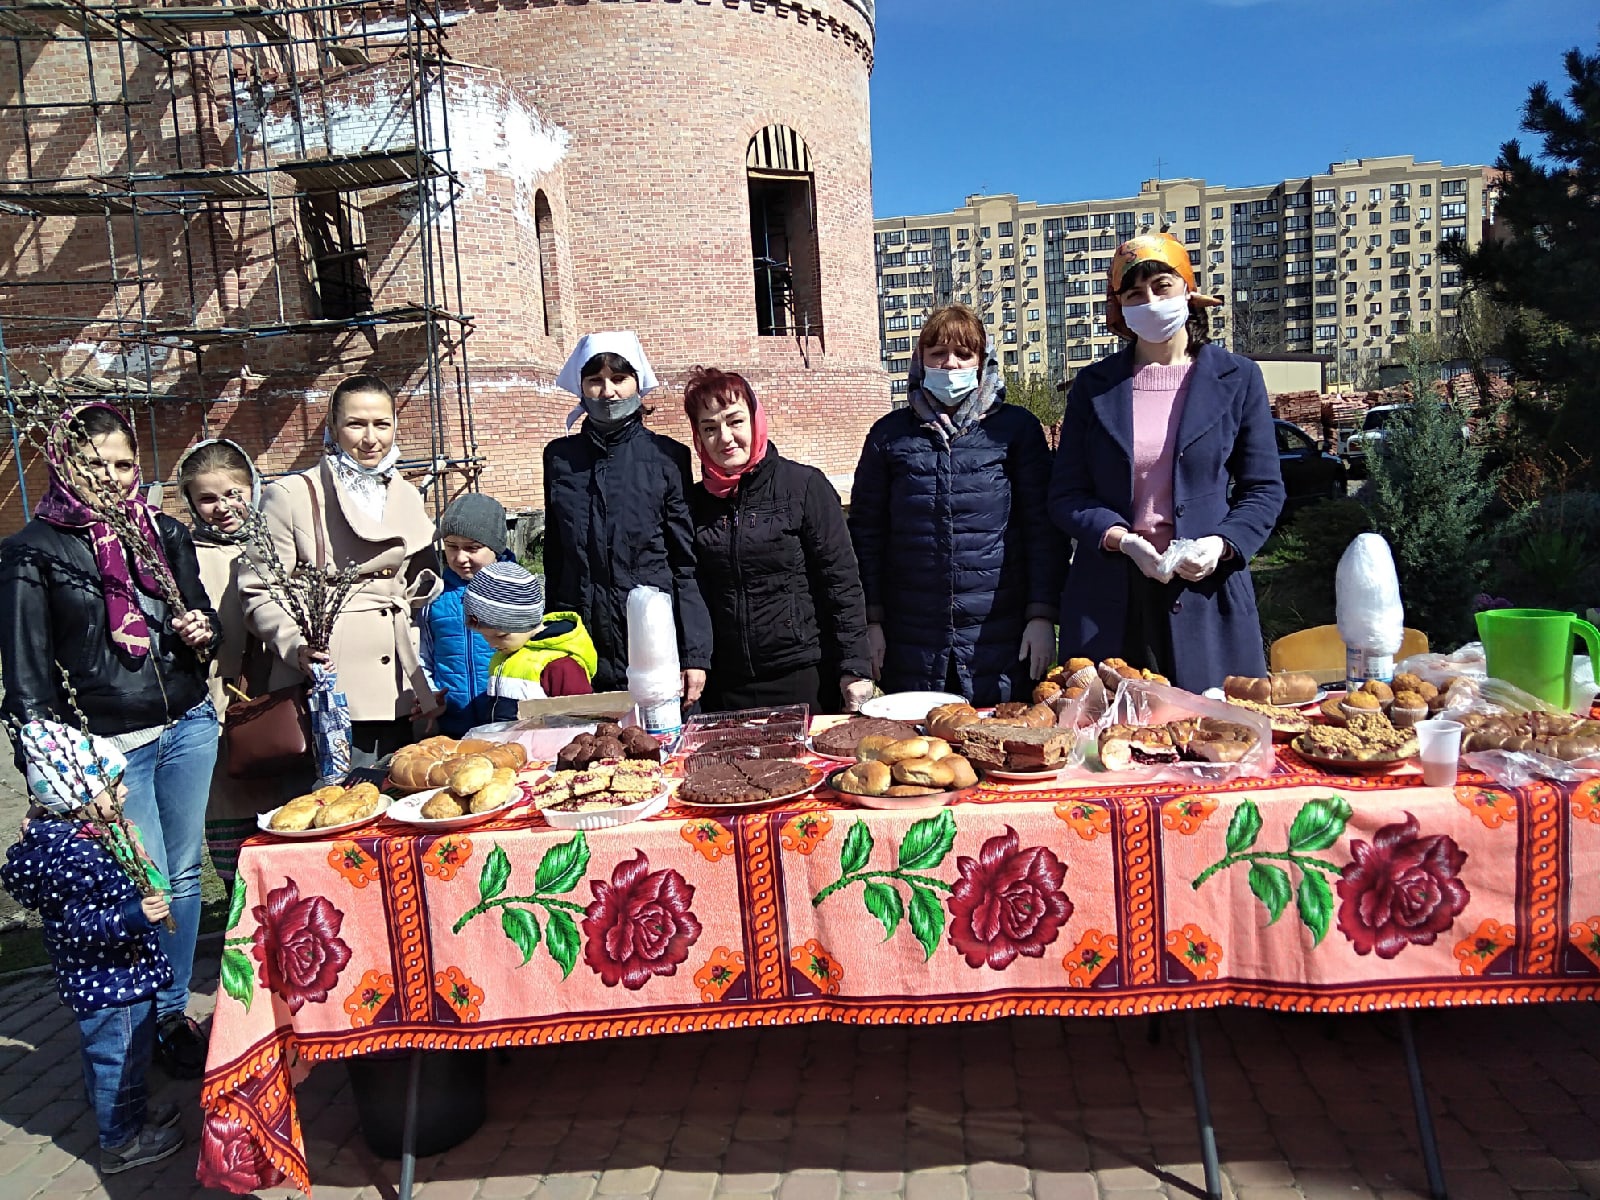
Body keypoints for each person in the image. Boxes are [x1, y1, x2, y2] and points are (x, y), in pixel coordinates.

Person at [0, 402, 218, 1079]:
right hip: (111, 747)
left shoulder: (163, 532)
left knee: (183, 874)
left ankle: (171, 1014)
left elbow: (200, 611)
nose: (114, 478)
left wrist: (202, 629)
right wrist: (53, 775)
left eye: (124, 464)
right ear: (65, 465)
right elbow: (26, 676)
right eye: (96, 466)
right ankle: (135, 1019)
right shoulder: (33, 551)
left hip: (188, 723)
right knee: (140, 880)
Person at [1047, 232, 1285, 691]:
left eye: (1162, 287)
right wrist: (1121, 540)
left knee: (1215, 725)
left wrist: (1222, 543)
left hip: (1206, 592)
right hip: (1110, 600)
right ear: (1120, 307)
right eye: (1134, 294)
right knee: (1108, 729)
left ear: (1188, 291)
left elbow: (1263, 488)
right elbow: (1066, 495)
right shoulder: (1094, 387)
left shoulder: (1238, 378)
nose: (1151, 302)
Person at [848, 305, 1063, 707]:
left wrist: (1041, 615)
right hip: (912, 637)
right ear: (921, 361)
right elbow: (867, 535)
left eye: (964, 354)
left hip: (998, 637)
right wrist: (871, 621)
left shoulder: (1014, 430)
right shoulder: (889, 436)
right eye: (938, 353)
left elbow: (1042, 530)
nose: (950, 364)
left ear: (982, 362)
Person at [1, 721, 185, 1174]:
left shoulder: (88, 835)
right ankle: (120, 1141)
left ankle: (128, 1113)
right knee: (118, 1058)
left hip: (119, 972)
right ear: (77, 797)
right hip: (108, 980)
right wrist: (134, 916)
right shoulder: (74, 854)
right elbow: (79, 925)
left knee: (125, 1053)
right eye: (113, 786)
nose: (124, 792)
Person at [239, 374, 442, 768]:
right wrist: (298, 647)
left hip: (400, 683)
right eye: (356, 424)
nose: (371, 439)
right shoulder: (292, 495)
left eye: (381, 424)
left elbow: (417, 579)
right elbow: (259, 589)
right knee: (340, 796)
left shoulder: (405, 492)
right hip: (329, 681)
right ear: (333, 427)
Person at [682, 366, 873, 714]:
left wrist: (855, 667)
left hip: (802, 676)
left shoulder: (803, 486)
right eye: (709, 428)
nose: (725, 438)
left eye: (735, 421)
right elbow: (689, 587)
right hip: (725, 685)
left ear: (755, 420)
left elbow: (841, 582)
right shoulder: (693, 503)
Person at [542, 332, 712, 701]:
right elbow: (555, 557)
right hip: (582, 643)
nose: (608, 392)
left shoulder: (667, 458)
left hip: (653, 642)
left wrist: (694, 654)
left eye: (619, 379)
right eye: (595, 380)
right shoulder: (559, 458)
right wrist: (551, 643)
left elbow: (685, 563)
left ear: (637, 383)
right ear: (581, 387)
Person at [175, 438, 270, 890]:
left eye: (234, 493)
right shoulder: (183, 555)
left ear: (253, 488)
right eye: (208, 499)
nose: (223, 507)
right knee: (231, 814)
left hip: (283, 697)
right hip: (219, 706)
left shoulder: (279, 543)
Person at [420, 492, 515, 736]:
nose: (460, 558)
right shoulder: (434, 596)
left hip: (507, 724)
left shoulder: (515, 591)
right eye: (452, 547)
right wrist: (430, 694)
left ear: (496, 548)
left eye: (472, 548)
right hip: (451, 726)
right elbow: (423, 654)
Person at [463, 561, 597, 719]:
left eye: (501, 636)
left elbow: (581, 719)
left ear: (526, 623)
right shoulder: (508, 653)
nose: (492, 644)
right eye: (485, 635)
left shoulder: (560, 665)